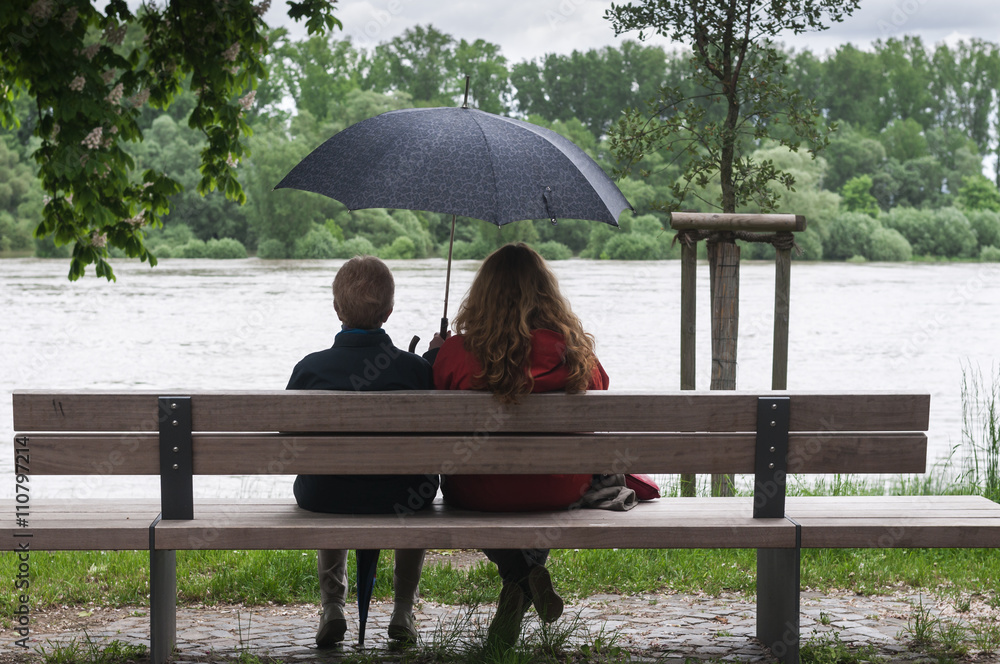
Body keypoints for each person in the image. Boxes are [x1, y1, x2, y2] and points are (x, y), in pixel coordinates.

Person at [430, 242, 610, 649]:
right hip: (560, 487)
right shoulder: (576, 353)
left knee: (487, 489)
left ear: (483, 296)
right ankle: (525, 578)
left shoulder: (459, 353)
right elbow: (601, 391)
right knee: (537, 489)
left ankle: (519, 575)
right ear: (548, 295)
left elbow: (437, 391)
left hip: (477, 491)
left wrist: (438, 353)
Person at [287, 255, 439, 648]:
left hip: (326, 496)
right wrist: (433, 361)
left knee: (325, 474)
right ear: (389, 312)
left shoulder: (310, 369)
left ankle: (333, 606)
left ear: (337, 307)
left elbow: (289, 437)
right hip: (403, 497)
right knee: (418, 484)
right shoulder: (416, 371)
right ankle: (403, 609)